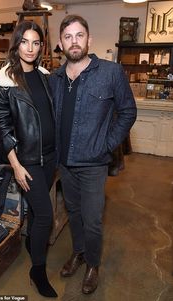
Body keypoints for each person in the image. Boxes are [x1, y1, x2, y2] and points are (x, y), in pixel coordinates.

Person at [49, 15, 137, 295]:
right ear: (60, 43)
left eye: (79, 35)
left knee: (92, 218)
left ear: (89, 39)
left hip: (93, 162)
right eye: (67, 37)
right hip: (65, 161)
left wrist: (107, 144)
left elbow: (128, 111)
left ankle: (93, 265)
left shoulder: (110, 72)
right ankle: (78, 252)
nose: (74, 41)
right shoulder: (56, 78)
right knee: (73, 212)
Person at [0, 21, 57, 298]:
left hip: (49, 157)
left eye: (36, 42)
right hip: (27, 162)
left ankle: (32, 245)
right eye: (25, 41)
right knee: (45, 216)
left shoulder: (43, 75)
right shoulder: (4, 81)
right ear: (16, 44)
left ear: (41, 46)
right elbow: (1, 128)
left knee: (38, 212)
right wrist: (15, 165)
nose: (30, 48)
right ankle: (37, 270)